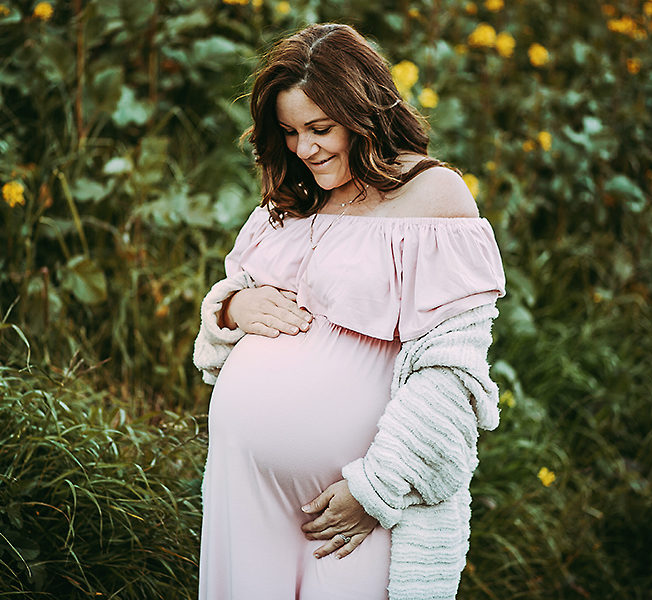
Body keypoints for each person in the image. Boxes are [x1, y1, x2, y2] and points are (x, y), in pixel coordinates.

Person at [193, 23, 506, 600]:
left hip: (356, 506)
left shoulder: (431, 195)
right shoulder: (291, 198)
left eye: (320, 129)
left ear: (366, 113)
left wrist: (376, 490)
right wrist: (234, 306)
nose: (304, 148)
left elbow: (452, 371)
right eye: (289, 132)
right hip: (246, 485)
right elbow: (222, 320)